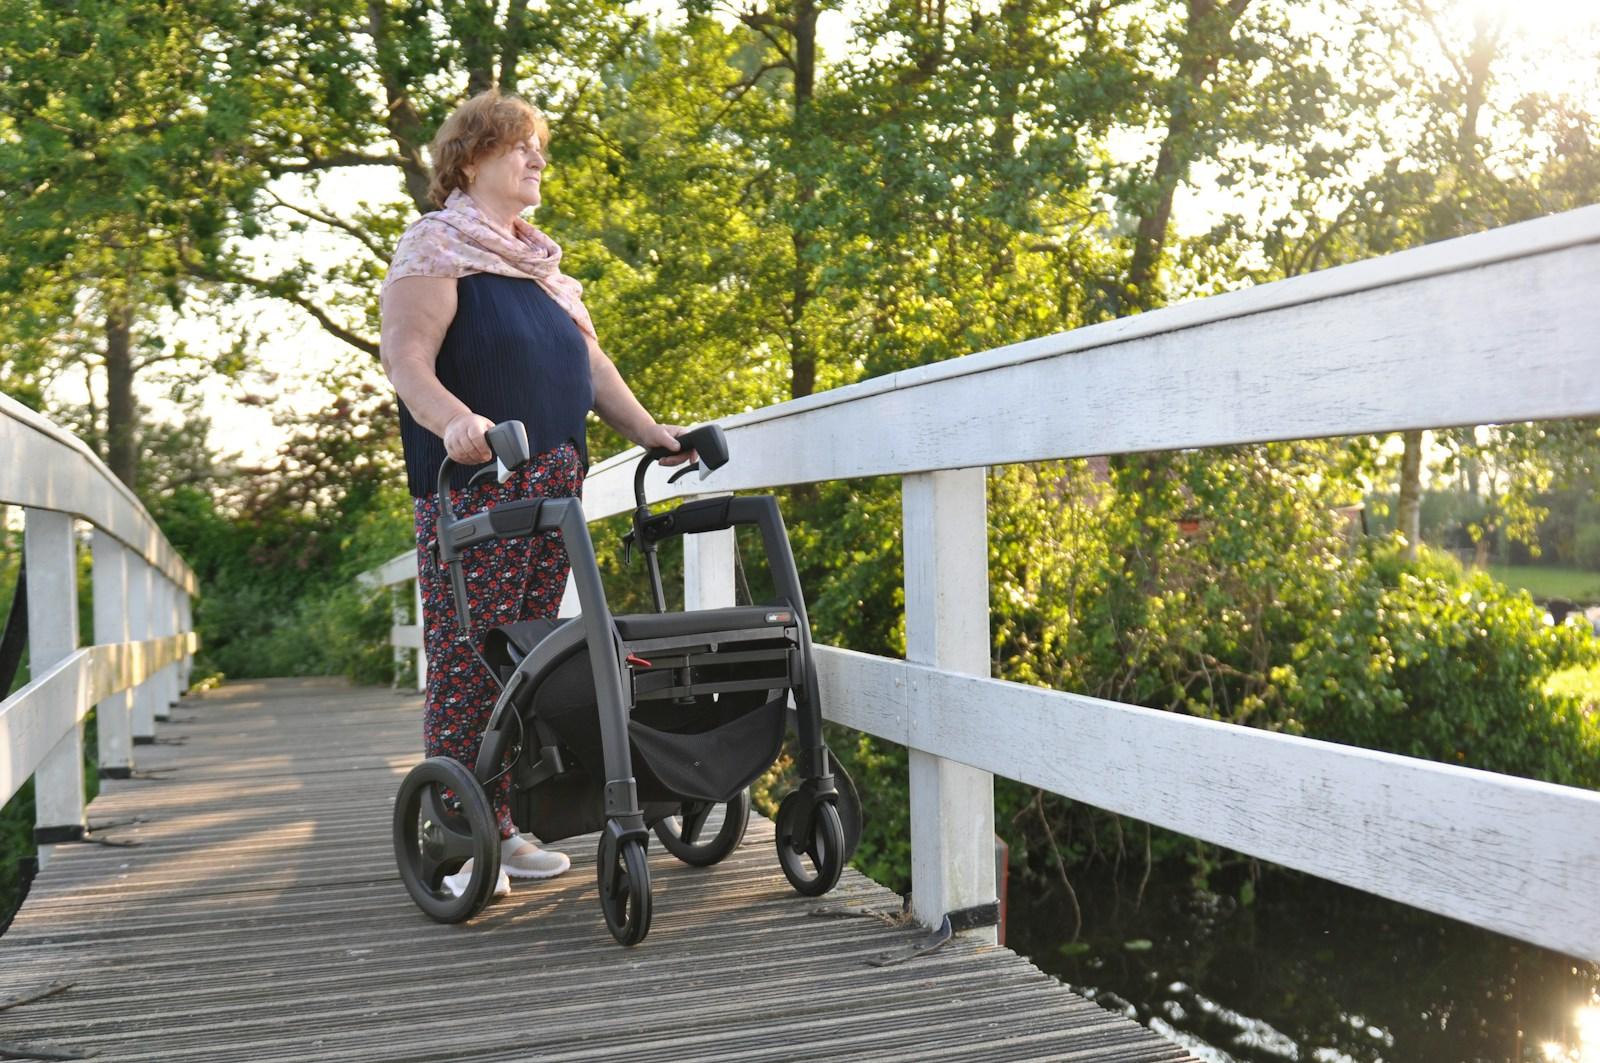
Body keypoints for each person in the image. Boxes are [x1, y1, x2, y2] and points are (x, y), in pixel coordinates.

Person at [379, 89, 690, 899]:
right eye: (523, 146)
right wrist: (454, 421)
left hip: (554, 487)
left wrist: (654, 432)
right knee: (466, 654)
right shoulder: (436, 247)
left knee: (524, 657)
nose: (537, 159)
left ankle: (504, 824)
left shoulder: (542, 270)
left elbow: (593, 372)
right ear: (473, 156)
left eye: (540, 147)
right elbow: (408, 361)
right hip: (476, 485)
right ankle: (452, 832)